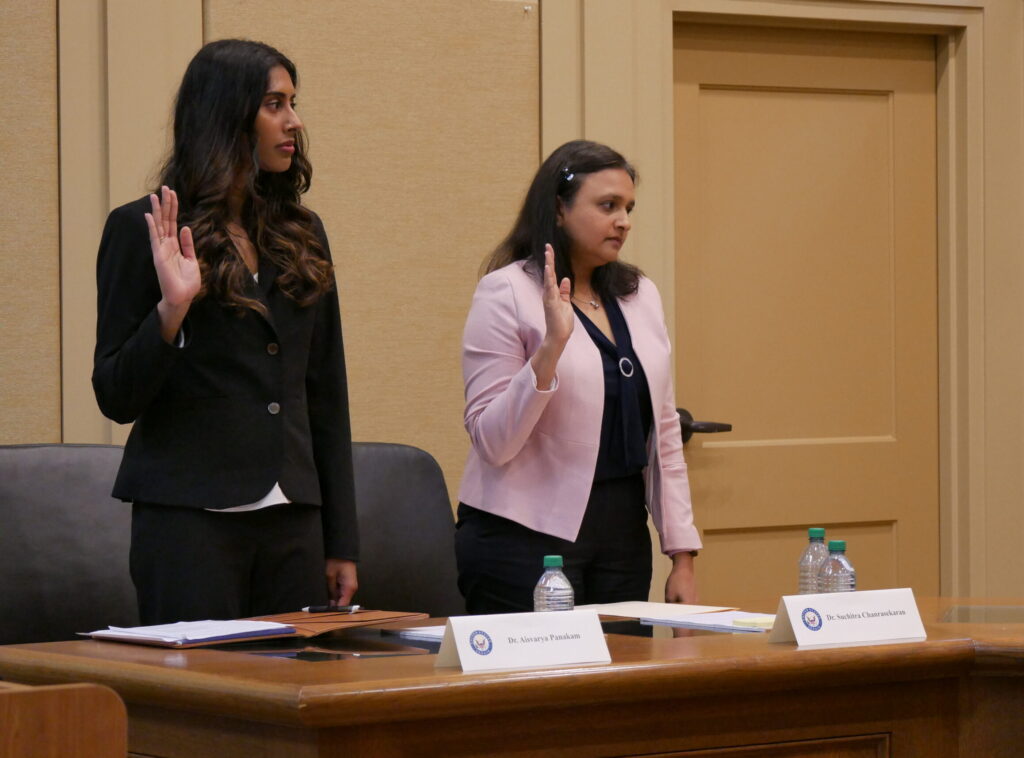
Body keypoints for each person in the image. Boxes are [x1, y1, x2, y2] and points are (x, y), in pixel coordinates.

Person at [92, 39, 358, 625]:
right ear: (225, 115)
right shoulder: (143, 229)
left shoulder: (302, 232)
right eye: (274, 104)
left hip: (293, 515)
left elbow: (325, 393)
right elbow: (114, 393)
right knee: (206, 705)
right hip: (189, 517)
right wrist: (171, 309)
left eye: (293, 102)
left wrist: (341, 539)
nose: (294, 122)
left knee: (294, 698)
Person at [455, 140, 701, 614]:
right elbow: (493, 441)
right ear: (559, 210)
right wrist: (550, 349)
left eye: (628, 207)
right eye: (607, 205)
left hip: (622, 535)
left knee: (618, 685)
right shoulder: (505, 292)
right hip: (521, 537)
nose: (624, 220)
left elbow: (663, 429)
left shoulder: (639, 294)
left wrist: (682, 555)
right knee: (534, 688)